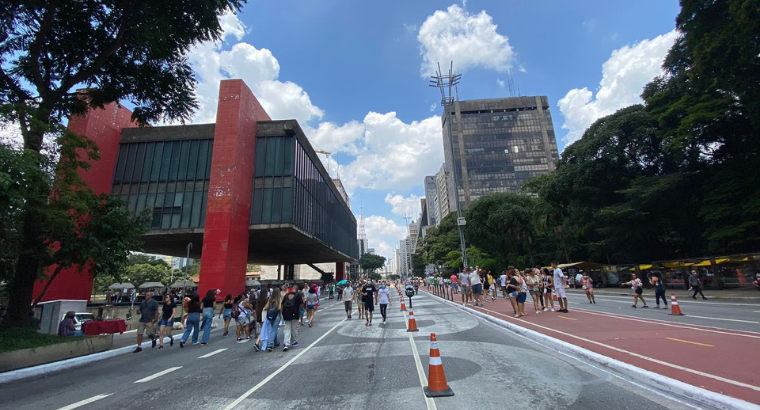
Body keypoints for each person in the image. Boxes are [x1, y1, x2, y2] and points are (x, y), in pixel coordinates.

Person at [280, 284, 304, 351]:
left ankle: (286, 343)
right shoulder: (298, 295)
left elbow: (282, 304)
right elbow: (301, 304)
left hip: (286, 313)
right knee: (294, 328)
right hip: (295, 313)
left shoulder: (287, 295)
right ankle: (294, 341)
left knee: (287, 328)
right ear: (297, 289)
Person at [260, 288, 282, 352]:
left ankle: (276, 342)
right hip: (277, 315)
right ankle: (270, 344)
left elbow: (266, 307)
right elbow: (279, 308)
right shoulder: (279, 299)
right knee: (274, 330)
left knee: (273, 329)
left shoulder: (270, 299)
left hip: (270, 315)